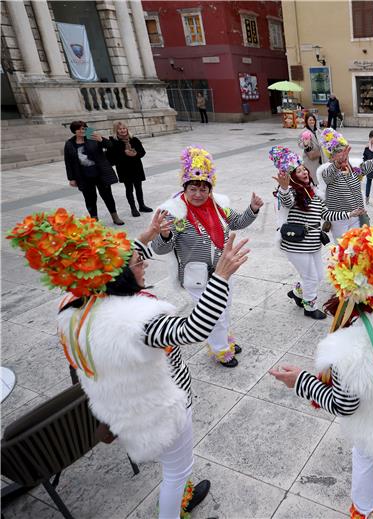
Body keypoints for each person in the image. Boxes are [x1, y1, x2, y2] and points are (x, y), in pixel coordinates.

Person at [8, 208, 251, 519]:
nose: (144, 262)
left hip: (124, 407)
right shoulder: (140, 322)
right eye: (138, 262)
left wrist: (146, 236)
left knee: (172, 467)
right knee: (177, 472)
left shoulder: (76, 301)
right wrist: (221, 276)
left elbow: (110, 261)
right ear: (119, 276)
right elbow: (194, 328)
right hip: (163, 409)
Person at [269, 226, 373, 519]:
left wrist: (300, 382)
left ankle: (363, 509)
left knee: (363, 457)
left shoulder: (349, 350)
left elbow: (343, 405)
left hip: (371, 426)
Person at [151, 146, 263, 368]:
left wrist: (252, 209)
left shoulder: (218, 206)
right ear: (185, 188)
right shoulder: (174, 212)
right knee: (214, 315)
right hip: (197, 275)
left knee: (226, 306)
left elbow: (237, 222)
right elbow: (160, 249)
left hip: (223, 270)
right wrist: (164, 234)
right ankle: (221, 350)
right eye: (193, 188)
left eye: (203, 189)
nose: (198, 194)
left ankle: (224, 340)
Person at [269, 146, 363, 319]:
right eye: (299, 171)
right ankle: (310, 307)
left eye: (304, 169)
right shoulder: (292, 192)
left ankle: (297, 292)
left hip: (313, 241)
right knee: (311, 277)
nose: (304, 172)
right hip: (296, 243)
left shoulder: (313, 192)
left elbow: (326, 214)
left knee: (318, 275)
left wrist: (349, 214)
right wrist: (283, 188)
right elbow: (287, 201)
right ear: (292, 177)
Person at [317, 128, 373, 240]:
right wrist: (338, 163)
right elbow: (328, 177)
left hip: (357, 217)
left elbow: (370, 164)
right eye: (339, 153)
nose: (344, 155)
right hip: (339, 220)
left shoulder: (353, 167)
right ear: (332, 157)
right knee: (344, 250)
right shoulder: (326, 171)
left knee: (359, 249)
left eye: (345, 151)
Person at [64, 120, 124, 226]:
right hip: (83, 176)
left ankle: (115, 217)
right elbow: (68, 162)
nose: (81, 130)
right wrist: (71, 178)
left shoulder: (92, 136)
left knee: (107, 196)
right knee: (90, 199)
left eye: (84, 128)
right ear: (74, 131)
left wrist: (101, 140)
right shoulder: (70, 143)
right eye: (78, 129)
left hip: (100, 174)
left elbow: (110, 146)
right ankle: (94, 219)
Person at [107, 121, 152, 217]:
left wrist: (135, 154)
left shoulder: (134, 139)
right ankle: (133, 208)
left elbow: (142, 152)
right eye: (120, 129)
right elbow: (111, 158)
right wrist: (125, 154)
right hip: (124, 169)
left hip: (136, 167)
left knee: (138, 187)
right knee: (129, 188)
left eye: (124, 128)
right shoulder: (113, 142)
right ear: (116, 130)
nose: (122, 130)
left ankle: (141, 205)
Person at [297, 112, 323, 185]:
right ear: (306, 121)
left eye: (313, 120)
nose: (312, 122)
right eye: (310, 120)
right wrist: (305, 144)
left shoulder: (319, 131)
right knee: (313, 177)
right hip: (310, 159)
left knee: (320, 176)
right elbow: (300, 144)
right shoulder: (304, 132)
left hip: (320, 157)